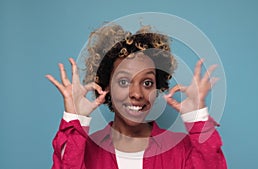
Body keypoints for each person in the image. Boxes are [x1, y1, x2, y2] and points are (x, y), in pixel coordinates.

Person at [46, 23, 227, 169]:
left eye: (147, 83)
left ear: (158, 87)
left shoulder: (181, 148)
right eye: (124, 81)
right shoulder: (85, 149)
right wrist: (75, 118)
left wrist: (197, 118)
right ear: (107, 86)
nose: (136, 94)